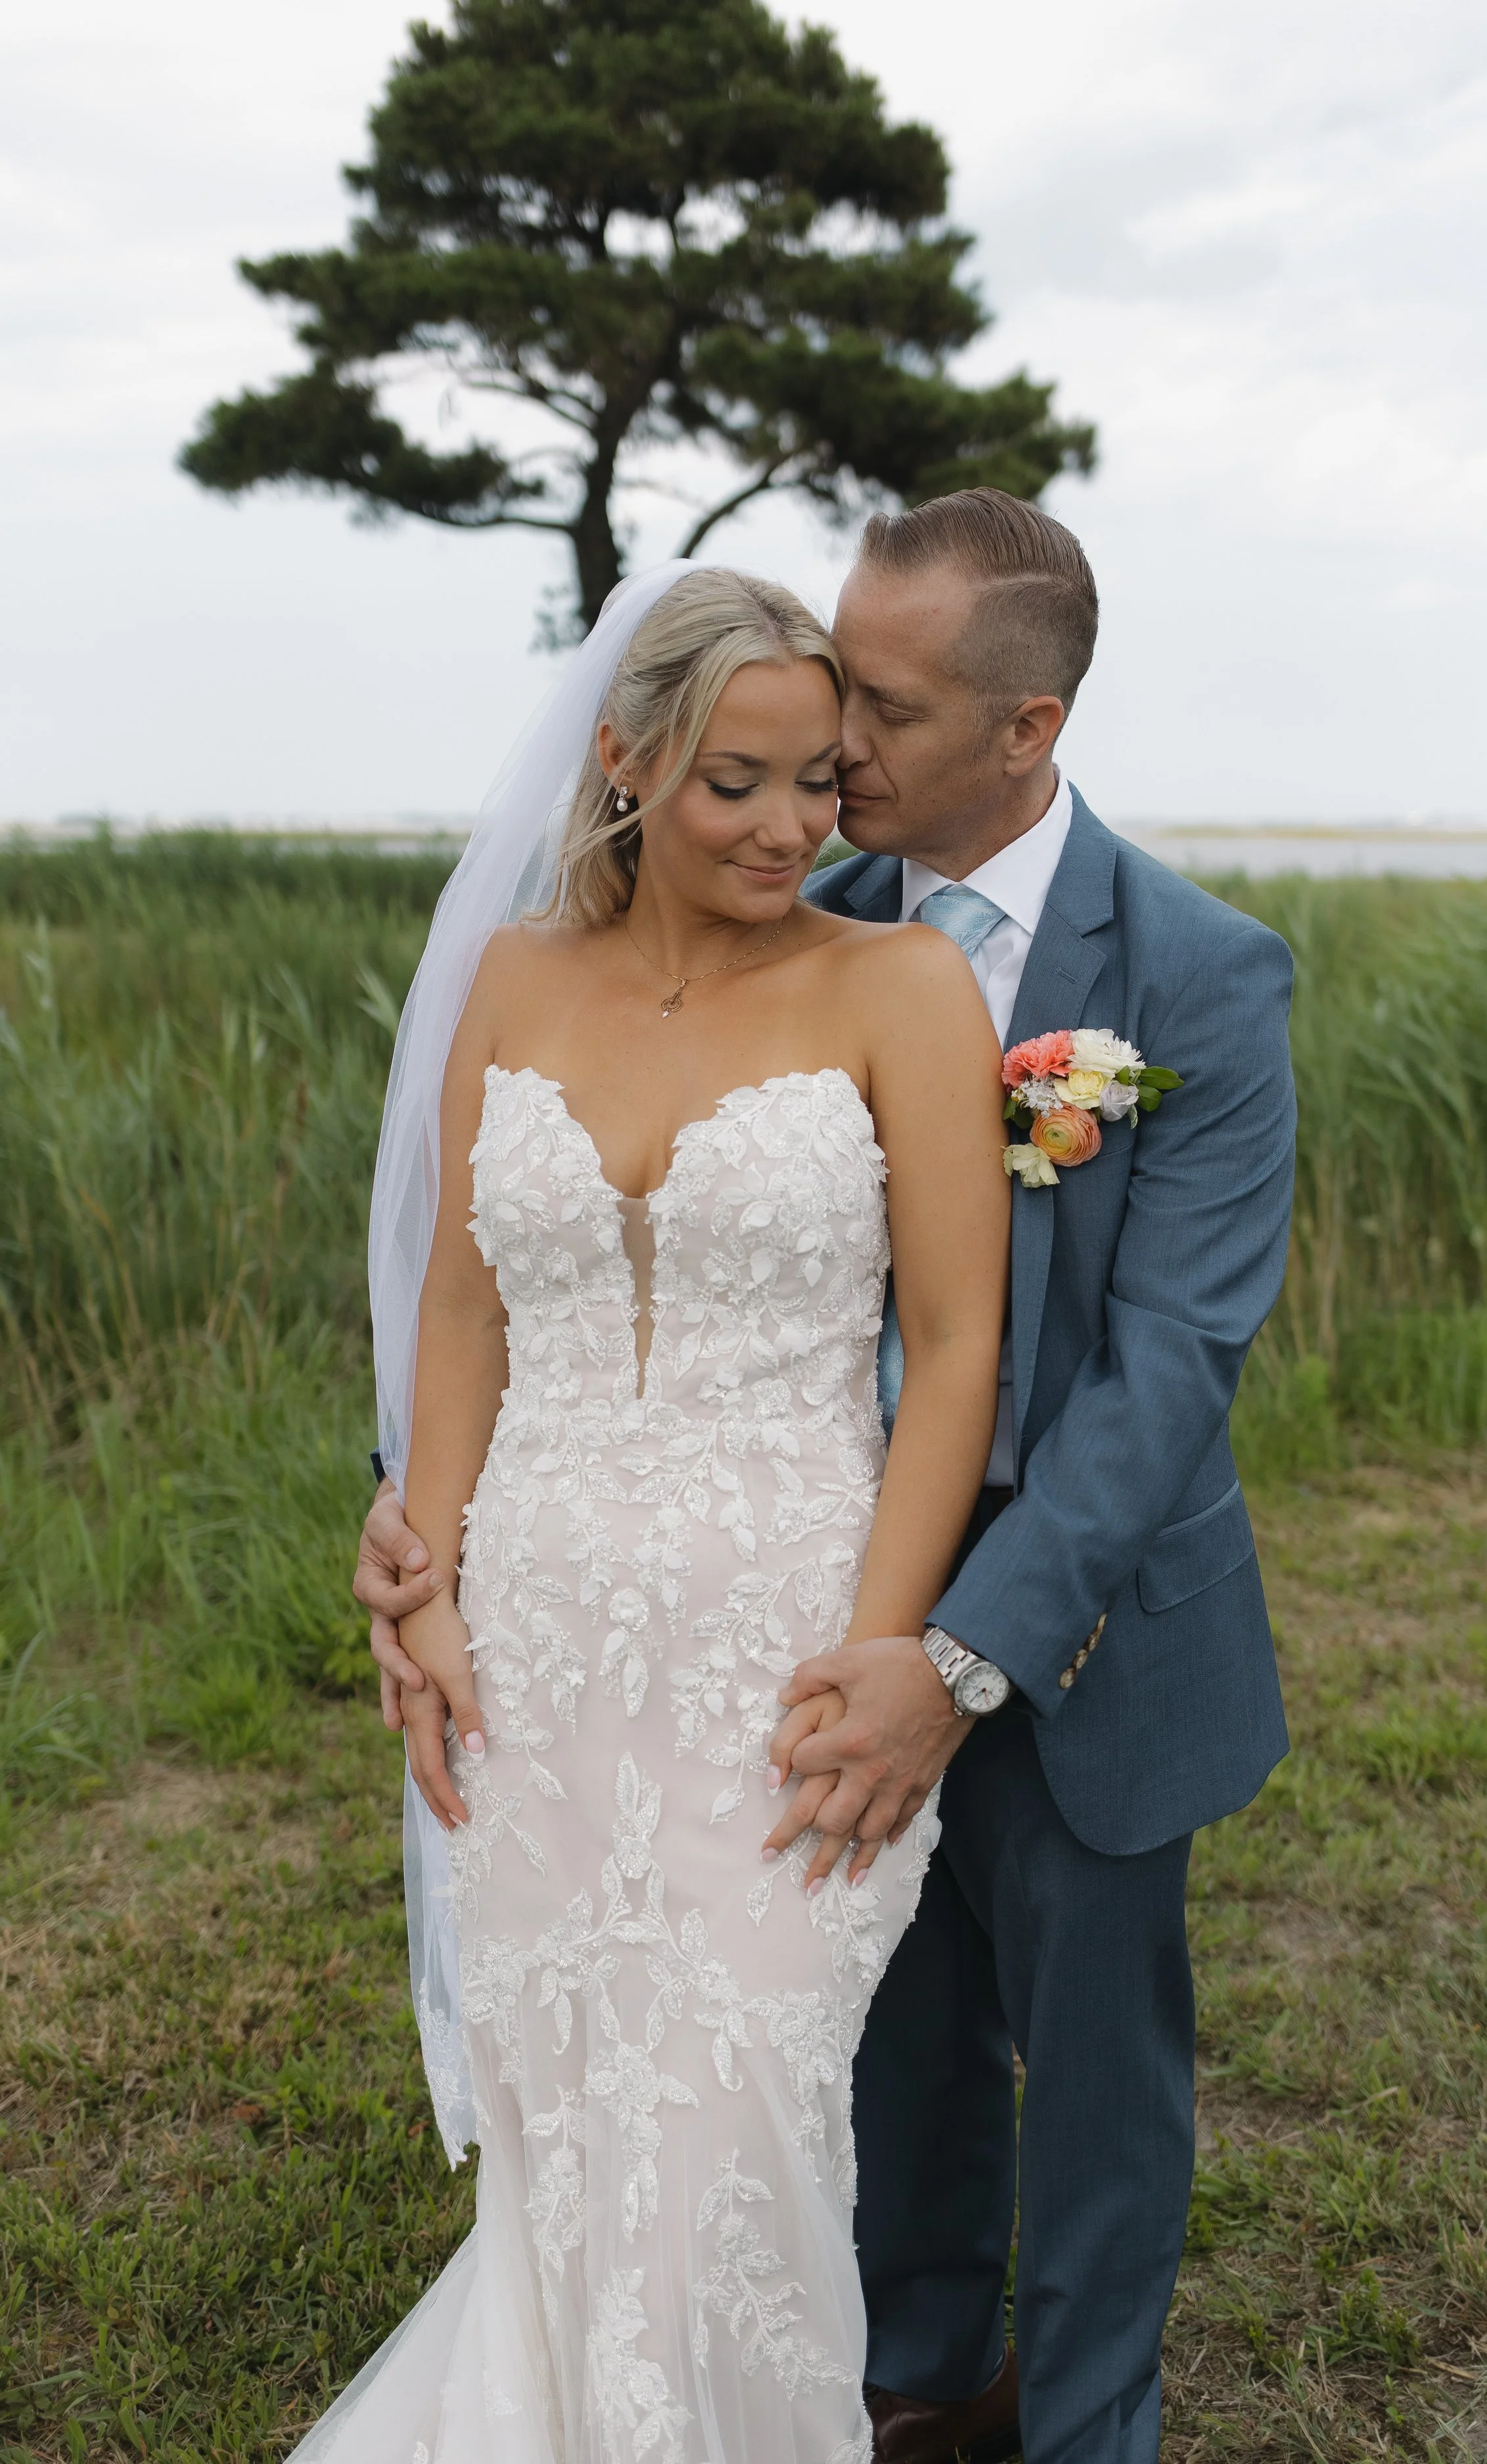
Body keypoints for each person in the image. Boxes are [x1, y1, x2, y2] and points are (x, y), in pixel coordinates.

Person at [360, 491, 1298, 2464]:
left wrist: (941, 1652)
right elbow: (492, 1281)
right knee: (882, 2075)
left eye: (870, 707)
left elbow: (1163, 1372)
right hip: (700, 1609)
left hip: (1065, 1623)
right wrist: (429, 1540)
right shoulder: (798, 909)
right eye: (788, 736)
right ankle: (915, 2385)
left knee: (1094, 2071)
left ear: (1020, 726)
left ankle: (1084, 2435)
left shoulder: (1198, 975)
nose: (828, 764)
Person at [298, 564, 1009, 2463]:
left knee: (743, 2113)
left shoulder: (899, 988)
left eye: (820, 783)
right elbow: (461, 1305)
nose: (790, 825)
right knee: (569, 2110)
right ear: (625, 763)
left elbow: (950, 1351)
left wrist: (890, 1648)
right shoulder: (516, 980)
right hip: (528, 1629)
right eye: (736, 782)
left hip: (783, 1639)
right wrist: (424, 1564)